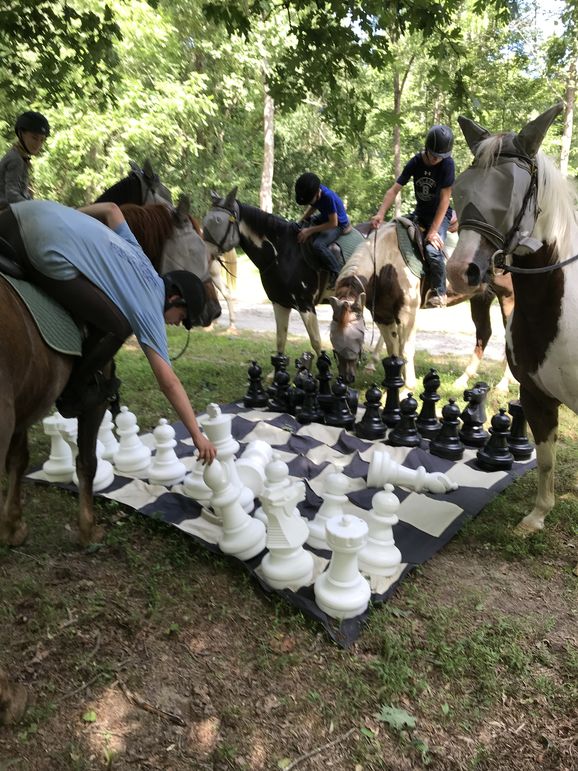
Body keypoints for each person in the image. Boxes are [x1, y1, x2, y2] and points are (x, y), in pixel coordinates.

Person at [0, 199, 217, 463]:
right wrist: (197, 435)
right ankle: (75, 388)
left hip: (18, 215)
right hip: (39, 247)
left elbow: (111, 210)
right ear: (174, 299)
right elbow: (169, 382)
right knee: (121, 324)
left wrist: (70, 214)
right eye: (181, 317)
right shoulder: (149, 307)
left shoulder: (138, 255)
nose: (175, 324)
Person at [370, 124, 455, 307]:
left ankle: (439, 292)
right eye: (434, 155)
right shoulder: (415, 162)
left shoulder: (447, 164)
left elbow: (445, 200)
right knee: (393, 230)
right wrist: (380, 213)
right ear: (427, 149)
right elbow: (394, 190)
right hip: (420, 212)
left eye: (440, 156)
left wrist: (433, 231)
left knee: (432, 250)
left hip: (440, 215)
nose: (437, 159)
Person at [294, 172, 351, 286]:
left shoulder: (327, 196)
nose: (310, 203)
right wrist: (300, 221)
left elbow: (333, 223)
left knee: (318, 245)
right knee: (305, 223)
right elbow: (313, 207)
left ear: (317, 193)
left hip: (338, 224)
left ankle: (337, 272)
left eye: (310, 200)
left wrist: (310, 230)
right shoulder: (314, 191)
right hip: (325, 216)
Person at [0, 111, 50, 207]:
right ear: (21, 134)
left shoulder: (19, 156)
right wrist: (35, 207)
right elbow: (12, 196)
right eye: (34, 138)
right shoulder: (16, 159)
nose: (38, 144)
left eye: (42, 140)